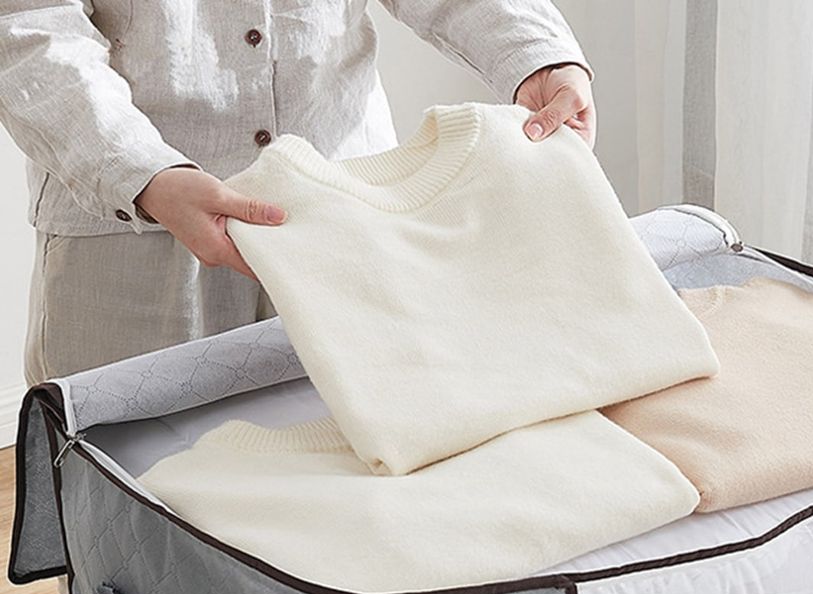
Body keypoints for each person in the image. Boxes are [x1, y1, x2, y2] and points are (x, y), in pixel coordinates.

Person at [0, 1, 595, 386]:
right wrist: (146, 174)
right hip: (131, 238)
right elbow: (29, 28)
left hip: (342, 213)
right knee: (130, 500)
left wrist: (537, 57)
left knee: (357, 476)